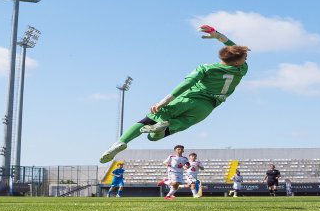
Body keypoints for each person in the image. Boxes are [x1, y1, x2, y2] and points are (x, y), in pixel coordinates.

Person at [101, 25, 250, 163]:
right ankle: (161, 128)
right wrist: (219, 36)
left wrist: (163, 102)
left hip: (187, 99)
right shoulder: (242, 70)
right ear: (237, 62)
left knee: (145, 121)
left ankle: (121, 142)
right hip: (205, 109)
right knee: (154, 138)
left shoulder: (206, 68)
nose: (246, 58)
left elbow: (186, 84)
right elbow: (236, 51)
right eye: (244, 57)